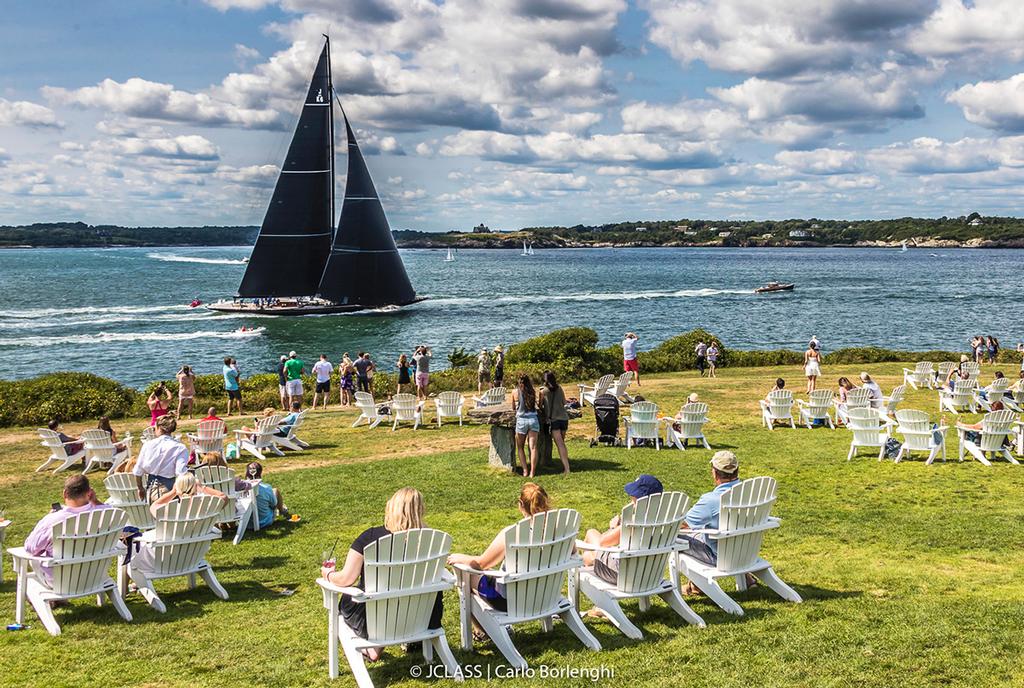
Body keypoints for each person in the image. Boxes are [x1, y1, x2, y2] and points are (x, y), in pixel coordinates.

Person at [322, 488, 442, 657]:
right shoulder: (432, 540)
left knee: (353, 598)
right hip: (421, 616)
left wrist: (328, 574)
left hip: (375, 618)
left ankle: (374, 647)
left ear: (391, 507)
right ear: (421, 510)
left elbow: (346, 579)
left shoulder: (370, 537)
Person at [447, 483, 550, 631]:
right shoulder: (557, 529)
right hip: (545, 596)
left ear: (520, 504)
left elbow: (481, 564)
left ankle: (483, 632)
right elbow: (572, 551)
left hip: (511, 601)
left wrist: (460, 557)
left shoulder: (512, 533)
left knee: (465, 574)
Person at [678, 451, 751, 595]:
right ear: (737, 470)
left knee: (673, 537)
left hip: (720, 556)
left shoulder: (712, 500)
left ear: (715, 473)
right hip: (747, 551)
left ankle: (696, 586)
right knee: (701, 533)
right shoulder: (750, 492)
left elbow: (683, 525)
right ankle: (696, 586)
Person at [581, 475, 663, 587]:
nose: (631, 496)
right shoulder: (665, 519)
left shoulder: (635, 521)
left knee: (591, 535)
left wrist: (613, 527)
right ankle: (589, 561)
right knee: (589, 554)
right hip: (651, 574)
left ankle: (589, 580)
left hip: (624, 575)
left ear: (639, 498)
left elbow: (603, 542)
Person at [24, 475, 110, 579]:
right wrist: (95, 501)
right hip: (94, 577)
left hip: (60, 581)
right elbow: (110, 510)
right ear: (90, 493)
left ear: (65, 493)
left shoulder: (52, 520)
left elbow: (31, 548)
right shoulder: (106, 515)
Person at [132, 414, 189, 502]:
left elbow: (138, 471)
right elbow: (180, 472)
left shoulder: (148, 445)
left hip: (152, 490)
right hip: (172, 490)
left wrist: (140, 488)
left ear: (159, 428)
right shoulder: (180, 447)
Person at [538, 370, 571, 475]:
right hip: (564, 418)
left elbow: (539, 406)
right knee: (562, 444)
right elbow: (564, 402)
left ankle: (567, 469)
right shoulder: (560, 388)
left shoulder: (543, 391)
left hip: (554, 420)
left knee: (560, 445)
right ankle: (565, 465)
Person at [244, 461, 290, 526]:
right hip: (265, 521)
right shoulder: (266, 488)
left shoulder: (241, 489)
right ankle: (282, 510)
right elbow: (274, 505)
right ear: (260, 472)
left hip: (246, 524)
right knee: (275, 491)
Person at [512, 373, 540, 477]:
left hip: (521, 420)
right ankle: (532, 471)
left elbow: (513, 408)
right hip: (533, 419)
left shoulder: (515, 392)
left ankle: (525, 470)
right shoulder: (532, 391)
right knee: (533, 447)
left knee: (520, 447)